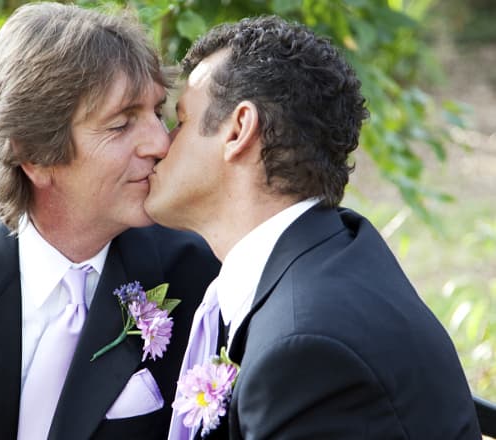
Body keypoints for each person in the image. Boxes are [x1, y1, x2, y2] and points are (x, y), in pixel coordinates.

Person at [0, 3, 219, 439]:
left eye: (157, 112)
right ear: (34, 155)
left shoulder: (202, 279)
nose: (160, 143)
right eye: (121, 124)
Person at [144, 16, 481, 439]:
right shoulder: (334, 249)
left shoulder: (305, 349)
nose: (160, 143)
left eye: (181, 120)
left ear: (239, 130)